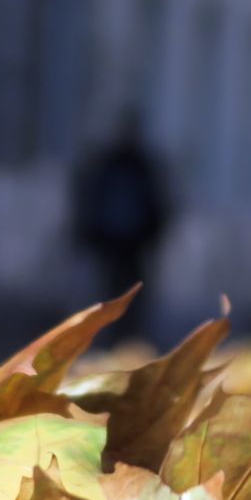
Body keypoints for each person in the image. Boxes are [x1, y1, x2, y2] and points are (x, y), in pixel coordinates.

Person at [71, 109, 174, 338]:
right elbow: (90, 199)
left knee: (132, 294)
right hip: (110, 244)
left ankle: (129, 338)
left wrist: (154, 234)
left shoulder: (142, 166)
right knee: (111, 293)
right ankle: (111, 337)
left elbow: (158, 203)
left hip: (135, 245)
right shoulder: (110, 165)